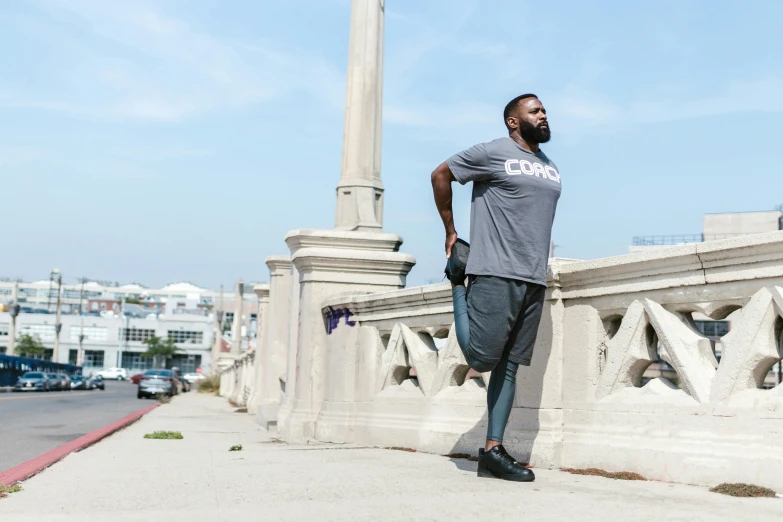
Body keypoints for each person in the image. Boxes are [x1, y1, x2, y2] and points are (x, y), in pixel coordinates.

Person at [430, 94, 561, 481]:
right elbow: (441, 174)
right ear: (513, 121)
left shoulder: (549, 166)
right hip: (493, 270)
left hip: (533, 276)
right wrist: (451, 232)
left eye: (544, 110)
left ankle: (493, 450)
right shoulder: (493, 152)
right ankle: (457, 283)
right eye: (535, 110)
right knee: (482, 360)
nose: (544, 114)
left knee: (508, 368)